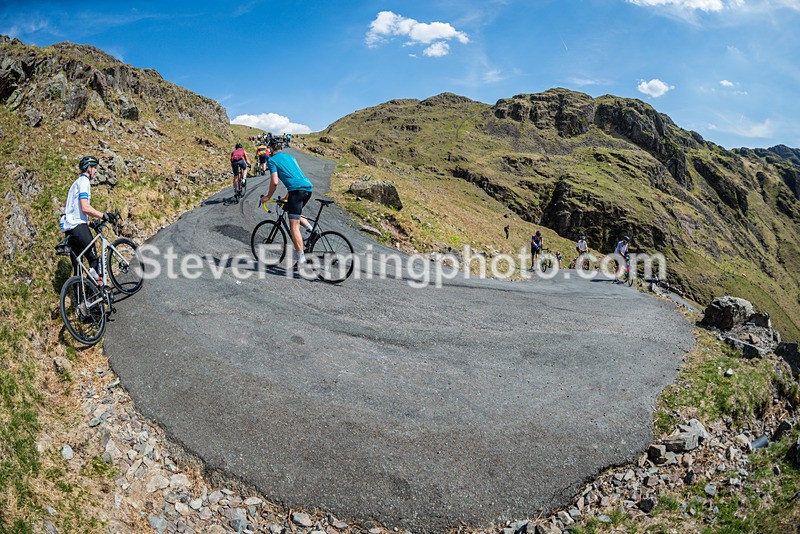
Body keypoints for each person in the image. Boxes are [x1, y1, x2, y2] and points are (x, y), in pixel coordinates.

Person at [260, 139, 315, 265]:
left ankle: (301, 259)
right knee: (293, 212)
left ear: (271, 149)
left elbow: (274, 182)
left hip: (297, 192)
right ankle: (310, 229)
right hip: (307, 189)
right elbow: (295, 178)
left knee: (294, 226)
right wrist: (286, 198)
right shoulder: (291, 157)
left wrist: (268, 196)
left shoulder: (272, 160)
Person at [60, 156, 114, 285]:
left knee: (78, 269)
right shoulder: (84, 181)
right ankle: (97, 292)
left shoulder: (75, 183)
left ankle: (81, 298)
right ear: (88, 168)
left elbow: (74, 211)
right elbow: (85, 207)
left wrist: (90, 223)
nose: (96, 170)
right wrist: (103, 215)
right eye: (94, 167)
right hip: (79, 228)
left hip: (70, 230)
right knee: (94, 260)